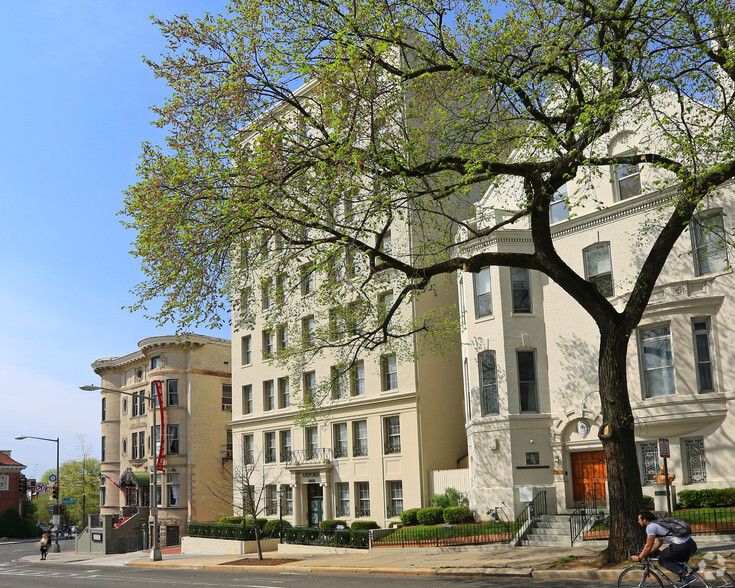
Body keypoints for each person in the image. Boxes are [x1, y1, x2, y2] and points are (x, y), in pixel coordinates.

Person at [631, 510, 697, 587]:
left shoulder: (650, 527)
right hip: (689, 543)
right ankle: (686, 581)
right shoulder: (658, 523)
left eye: (639, 519)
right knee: (679, 563)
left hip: (681, 545)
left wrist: (640, 557)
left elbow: (648, 545)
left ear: (644, 520)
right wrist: (647, 552)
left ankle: (688, 577)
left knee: (662, 559)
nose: (638, 521)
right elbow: (659, 542)